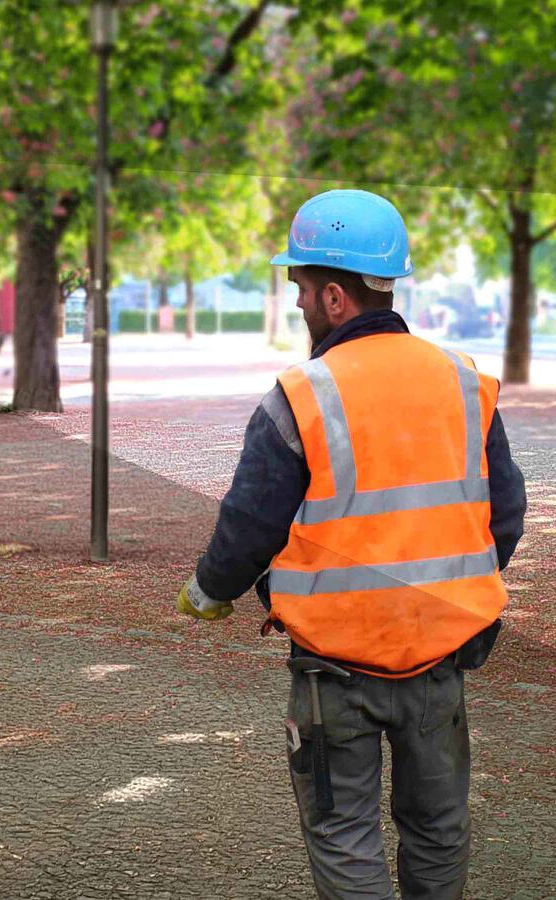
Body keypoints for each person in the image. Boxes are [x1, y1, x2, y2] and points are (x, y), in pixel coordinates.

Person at [175, 189, 526, 899]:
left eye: (302, 290)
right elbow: (507, 515)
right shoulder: (464, 382)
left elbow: (251, 522)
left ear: (335, 297)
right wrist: (451, 591)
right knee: (438, 829)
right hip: (438, 662)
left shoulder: (302, 394)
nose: (300, 305)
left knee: (343, 832)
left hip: (334, 668)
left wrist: (210, 591)